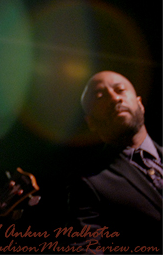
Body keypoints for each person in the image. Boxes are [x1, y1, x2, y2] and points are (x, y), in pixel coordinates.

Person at [67, 71, 162, 252]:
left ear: (140, 104)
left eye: (120, 90)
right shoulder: (86, 184)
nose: (114, 98)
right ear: (90, 122)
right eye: (100, 96)